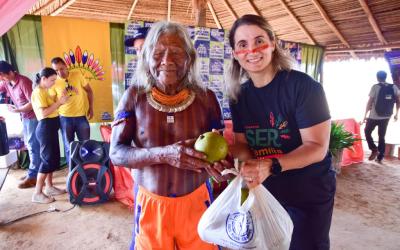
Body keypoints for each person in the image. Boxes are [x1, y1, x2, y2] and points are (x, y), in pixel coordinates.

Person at [109, 21, 230, 250]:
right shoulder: (134, 97)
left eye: (176, 52)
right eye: (158, 53)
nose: (167, 60)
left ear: (190, 58)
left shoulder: (207, 99)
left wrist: (223, 169)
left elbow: (222, 155)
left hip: (197, 202)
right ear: (146, 58)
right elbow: (116, 153)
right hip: (151, 205)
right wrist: (165, 154)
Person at [226, 14, 336, 250]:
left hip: (309, 193)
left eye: (259, 41)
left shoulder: (303, 87)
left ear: (273, 43)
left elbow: (317, 147)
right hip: (267, 193)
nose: (252, 50)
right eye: (242, 45)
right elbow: (244, 144)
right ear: (235, 53)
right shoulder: (239, 97)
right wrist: (236, 159)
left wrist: (270, 165)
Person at [0, 61, 40, 188]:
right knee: (29, 145)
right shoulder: (7, 83)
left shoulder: (24, 82)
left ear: (10, 72)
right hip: (25, 117)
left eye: (2, 75)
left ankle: (34, 177)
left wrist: (18, 110)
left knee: (33, 146)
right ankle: (33, 172)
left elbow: (33, 103)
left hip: (33, 117)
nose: (2, 79)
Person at [31, 68, 68, 203]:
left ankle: (49, 187)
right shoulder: (38, 92)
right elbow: (43, 113)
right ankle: (37, 193)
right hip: (45, 128)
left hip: (50, 128)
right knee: (46, 161)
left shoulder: (44, 91)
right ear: (43, 79)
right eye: (52, 80)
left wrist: (61, 98)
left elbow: (52, 106)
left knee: (52, 159)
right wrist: (59, 102)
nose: (53, 83)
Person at [50, 57, 94, 165]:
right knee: (69, 147)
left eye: (61, 68)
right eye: (56, 70)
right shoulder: (53, 82)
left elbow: (89, 91)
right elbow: (51, 102)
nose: (60, 72)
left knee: (85, 146)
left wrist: (91, 107)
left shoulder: (77, 75)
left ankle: (87, 170)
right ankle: (72, 172)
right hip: (64, 119)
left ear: (66, 65)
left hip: (81, 117)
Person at [362, 70, 400, 163]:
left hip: (374, 116)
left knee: (367, 131)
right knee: (381, 136)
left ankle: (374, 149)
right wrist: (396, 114)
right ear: (385, 77)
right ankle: (380, 157)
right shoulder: (394, 87)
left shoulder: (375, 87)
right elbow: (398, 100)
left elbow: (369, 102)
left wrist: (365, 115)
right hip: (387, 116)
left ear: (377, 77)